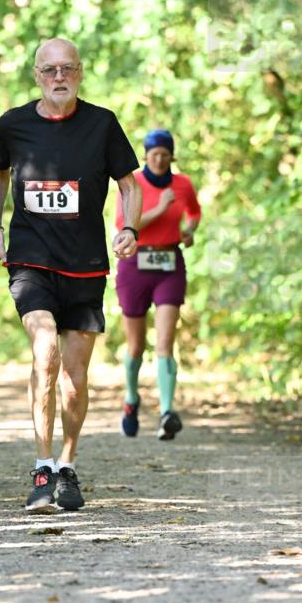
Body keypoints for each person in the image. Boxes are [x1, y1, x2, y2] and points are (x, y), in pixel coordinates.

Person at [0, 37, 142, 513]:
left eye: (67, 69)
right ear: (37, 75)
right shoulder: (13, 124)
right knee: (44, 350)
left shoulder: (102, 123)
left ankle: (67, 466)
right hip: (31, 259)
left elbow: (129, 185)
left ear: (80, 72)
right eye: (50, 70)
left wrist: (129, 227)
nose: (59, 77)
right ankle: (41, 466)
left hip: (85, 263)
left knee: (74, 377)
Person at [115, 129, 201, 440]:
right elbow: (123, 225)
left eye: (165, 154)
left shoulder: (183, 184)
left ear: (172, 156)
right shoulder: (132, 183)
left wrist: (189, 230)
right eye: (155, 155)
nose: (160, 160)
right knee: (136, 345)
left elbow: (194, 212)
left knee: (165, 342)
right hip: (135, 264)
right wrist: (160, 209)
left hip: (169, 263)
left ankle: (167, 412)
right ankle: (131, 399)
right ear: (146, 156)